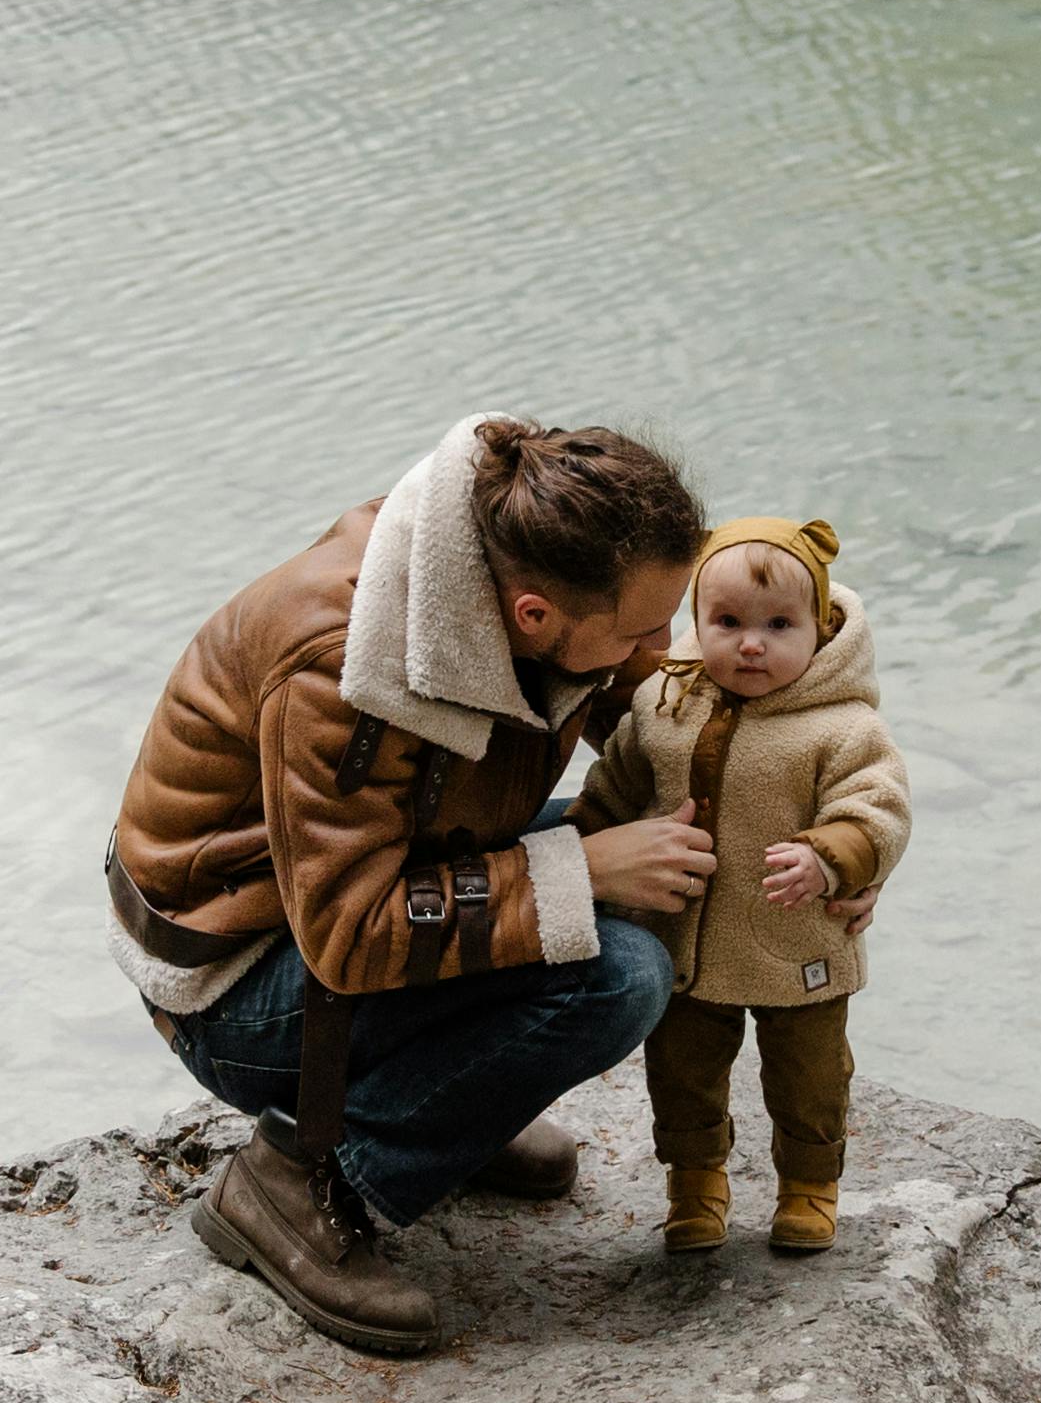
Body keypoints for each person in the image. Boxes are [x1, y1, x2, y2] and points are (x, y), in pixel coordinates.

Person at [106, 417, 716, 1355]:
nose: (660, 644)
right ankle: (306, 1178)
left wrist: (811, 843)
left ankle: (447, 1102)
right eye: (642, 627)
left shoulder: (540, 553)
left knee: (659, 862)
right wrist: (581, 867)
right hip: (238, 976)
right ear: (535, 618)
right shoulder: (341, 665)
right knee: (620, 971)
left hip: (360, 886)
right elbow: (348, 935)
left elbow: (668, 725)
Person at [577, 516, 909, 1257]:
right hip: (688, 945)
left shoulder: (842, 725)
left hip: (800, 943)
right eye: (726, 621)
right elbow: (614, 785)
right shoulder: (664, 705)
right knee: (682, 1072)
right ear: (696, 620)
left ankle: (809, 1186)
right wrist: (582, 847)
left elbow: (876, 806)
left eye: (778, 624)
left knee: (810, 1077)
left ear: (819, 630)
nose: (750, 643)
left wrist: (833, 858)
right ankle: (694, 1183)